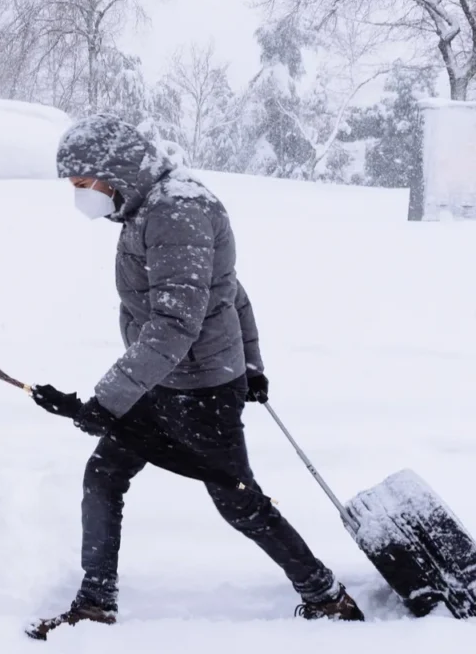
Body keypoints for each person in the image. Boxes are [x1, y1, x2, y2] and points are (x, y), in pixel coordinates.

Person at [24, 114, 364, 638]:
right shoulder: (149, 209)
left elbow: (176, 323)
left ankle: (325, 596)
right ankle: (95, 602)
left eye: (80, 184)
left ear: (112, 171)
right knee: (105, 474)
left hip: (198, 384)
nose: (78, 197)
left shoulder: (175, 211)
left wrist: (108, 400)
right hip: (163, 380)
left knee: (237, 500)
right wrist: (250, 363)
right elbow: (232, 289)